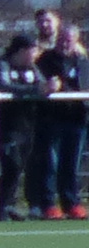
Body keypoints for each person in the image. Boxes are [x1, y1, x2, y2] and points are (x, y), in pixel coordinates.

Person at [0, 34, 49, 219]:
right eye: (34, 50)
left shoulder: (32, 68)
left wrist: (50, 87)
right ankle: (3, 206)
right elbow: (2, 85)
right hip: (8, 126)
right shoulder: (3, 65)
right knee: (12, 165)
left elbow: (42, 85)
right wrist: (34, 90)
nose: (36, 54)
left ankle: (15, 205)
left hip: (28, 125)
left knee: (23, 166)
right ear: (23, 50)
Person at [41, 12, 88, 219]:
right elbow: (41, 85)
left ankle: (71, 203)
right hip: (53, 119)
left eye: (69, 40)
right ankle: (49, 204)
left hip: (77, 119)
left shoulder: (82, 61)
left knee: (71, 164)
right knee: (50, 164)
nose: (64, 44)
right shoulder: (46, 60)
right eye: (61, 40)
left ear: (76, 41)